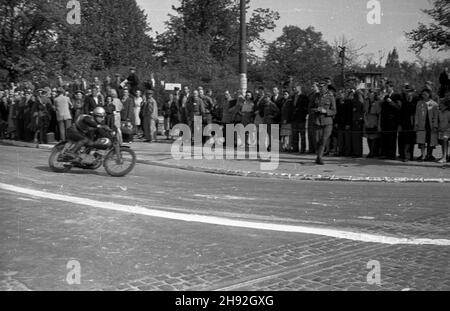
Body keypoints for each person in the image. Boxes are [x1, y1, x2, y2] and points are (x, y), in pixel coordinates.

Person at [312, 80, 336, 165]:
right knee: (316, 140)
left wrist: (325, 111)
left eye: (322, 87)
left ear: (326, 87)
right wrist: (315, 110)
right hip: (317, 121)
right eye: (319, 87)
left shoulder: (330, 97)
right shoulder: (315, 96)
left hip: (327, 122)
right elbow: (310, 107)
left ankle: (320, 157)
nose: (320, 88)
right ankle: (318, 155)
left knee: (323, 140)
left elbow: (334, 111)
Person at [415, 89, 439, 161]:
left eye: (425, 94)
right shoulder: (419, 103)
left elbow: (436, 116)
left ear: (429, 94)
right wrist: (416, 124)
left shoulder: (434, 104)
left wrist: (435, 126)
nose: (423, 96)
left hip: (430, 125)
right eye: (422, 94)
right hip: (421, 125)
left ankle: (429, 155)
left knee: (430, 141)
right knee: (422, 141)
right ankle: (423, 155)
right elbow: (416, 114)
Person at [380, 81, 402, 160]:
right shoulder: (385, 96)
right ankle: (385, 154)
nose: (386, 88)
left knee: (392, 138)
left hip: (393, 121)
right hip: (385, 120)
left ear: (392, 87)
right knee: (385, 138)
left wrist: (391, 102)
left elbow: (399, 107)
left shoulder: (397, 96)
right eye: (385, 87)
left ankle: (392, 155)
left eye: (388, 87)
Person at [398, 86, 417, 162]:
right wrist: (399, 124)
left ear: (412, 93)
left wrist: (415, 124)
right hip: (405, 124)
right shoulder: (404, 102)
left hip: (413, 123)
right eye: (407, 92)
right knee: (405, 140)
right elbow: (400, 114)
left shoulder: (416, 101)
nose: (408, 93)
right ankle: (405, 156)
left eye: (410, 92)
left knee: (411, 141)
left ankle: (410, 156)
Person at [364, 90, 382, 158]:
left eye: (371, 93)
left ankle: (373, 152)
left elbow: (379, 114)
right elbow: (364, 112)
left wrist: (379, 124)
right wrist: (365, 121)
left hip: (374, 119)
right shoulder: (366, 101)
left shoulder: (378, 102)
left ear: (374, 94)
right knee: (368, 137)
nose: (369, 94)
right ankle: (370, 151)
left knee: (374, 137)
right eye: (369, 93)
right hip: (368, 119)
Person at [438, 89, 450, 163]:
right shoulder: (439, 112)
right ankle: (444, 156)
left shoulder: (448, 112)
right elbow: (439, 121)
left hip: (447, 130)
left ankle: (445, 157)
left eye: (442, 105)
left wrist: (445, 128)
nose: (440, 106)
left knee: (445, 139)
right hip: (442, 130)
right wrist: (439, 128)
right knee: (443, 142)